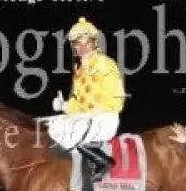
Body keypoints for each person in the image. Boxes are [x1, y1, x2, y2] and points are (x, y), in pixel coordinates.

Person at [46, 17, 126, 181]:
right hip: (86, 117)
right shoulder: (79, 70)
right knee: (51, 126)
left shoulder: (105, 63)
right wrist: (63, 105)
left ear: (94, 43)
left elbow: (117, 98)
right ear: (74, 46)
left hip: (105, 118)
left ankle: (103, 162)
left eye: (86, 43)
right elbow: (79, 104)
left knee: (72, 132)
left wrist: (97, 110)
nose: (82, 47)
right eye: (78, 44)